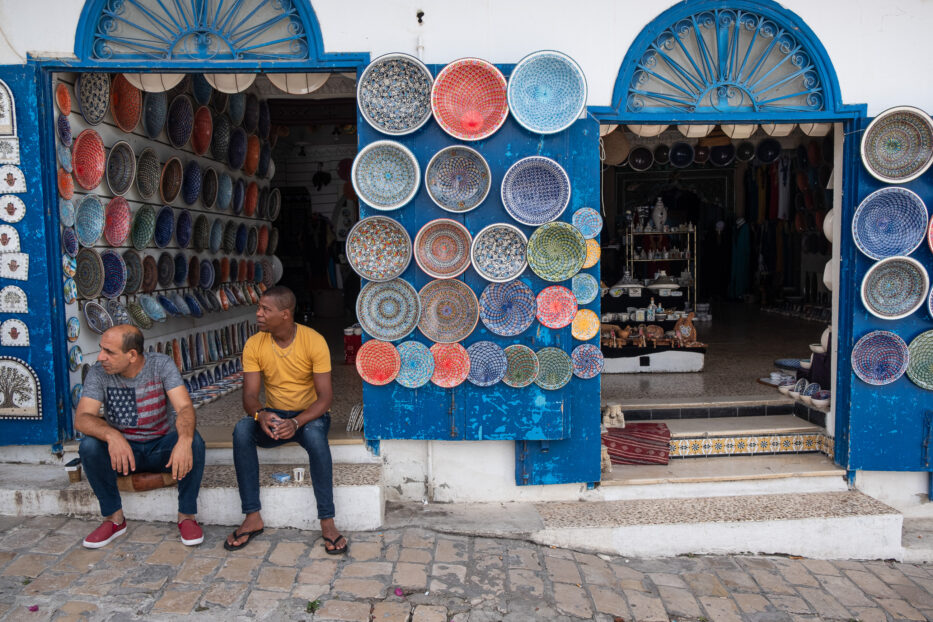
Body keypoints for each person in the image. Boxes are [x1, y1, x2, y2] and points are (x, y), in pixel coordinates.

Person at [227, 285, 346, 554]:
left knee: (316, 438)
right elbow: (248, 396)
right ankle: (252, 516)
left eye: (264, 309)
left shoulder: (313, 340)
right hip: (274, 416)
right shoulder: (254, 343)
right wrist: (261, 415)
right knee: (241, 431)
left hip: (309, 417)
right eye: (259, 308)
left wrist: (297, 422)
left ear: (284, 314)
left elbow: (325, 398)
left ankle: (327, 521)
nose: (258, 313)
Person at [75, 325, 206, 549]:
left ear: (132, 355)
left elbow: (184, 407)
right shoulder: (99, 372)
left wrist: (183, 441)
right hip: (124, 454)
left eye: (109, 352)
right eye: (101, 349)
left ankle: (186, 516)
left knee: (194, 442)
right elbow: (82, 418)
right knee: (89, 446)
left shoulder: (161, 365)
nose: (101, 357)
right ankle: (114, 519)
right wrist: (112, 435)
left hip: (160, 450)